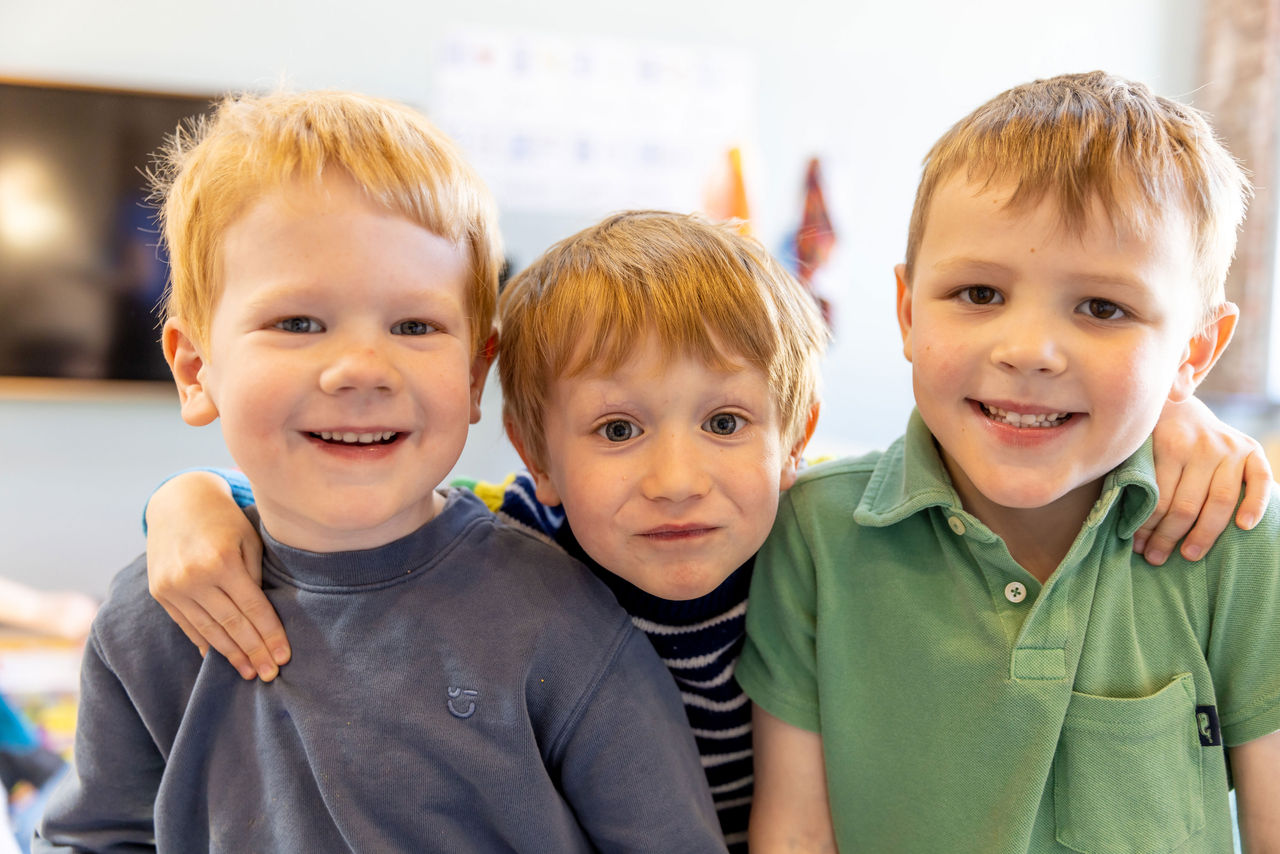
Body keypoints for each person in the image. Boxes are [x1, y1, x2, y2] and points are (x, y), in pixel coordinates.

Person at [140, 207, 1270, 852]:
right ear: (536, 450)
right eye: (618, 427)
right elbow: (357, 533)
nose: (678, 478)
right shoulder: (514, 540)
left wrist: (1175, 412)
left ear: (796, 436)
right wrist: (191, 498)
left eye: (726, 420)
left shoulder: (826, 530)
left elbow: (1008, 472)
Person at [33, 91, 723, 853]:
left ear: (472, 377)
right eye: (298, 323)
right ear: (196, 369)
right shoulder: (152, 614)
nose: (361, 368)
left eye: (414, 325)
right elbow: (97, 839)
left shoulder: (560, 613)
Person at [738, 70, 1280, 853]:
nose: (1027, 351)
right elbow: (795, 830)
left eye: (1103, 308)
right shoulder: (815, 532)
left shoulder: (1235, 540)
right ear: (906, 312)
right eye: (980, 294)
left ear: (1193, 352)